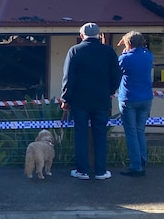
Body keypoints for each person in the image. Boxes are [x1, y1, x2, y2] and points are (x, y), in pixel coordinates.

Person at [60, 22, 121, 181]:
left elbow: (68, 77)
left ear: (81, 36)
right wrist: (110, 91)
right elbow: (116, 75)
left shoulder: (75, 50)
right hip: (102, 100)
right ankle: (101, 171)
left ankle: (83, 171)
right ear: (99, 36)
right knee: (100, 134)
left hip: (80, 101)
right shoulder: (108, 51)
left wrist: (66, 98)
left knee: (81, 134)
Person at [117, 31, 154, 177]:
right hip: (146, 97)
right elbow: (140, 53)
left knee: (131, 132)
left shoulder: (124, 58)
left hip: (129, 98)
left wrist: (124, 49)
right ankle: (142, 159)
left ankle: (136, 166)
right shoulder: (149, 56)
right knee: (140, 131)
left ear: (128, 43)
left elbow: (118, 69)